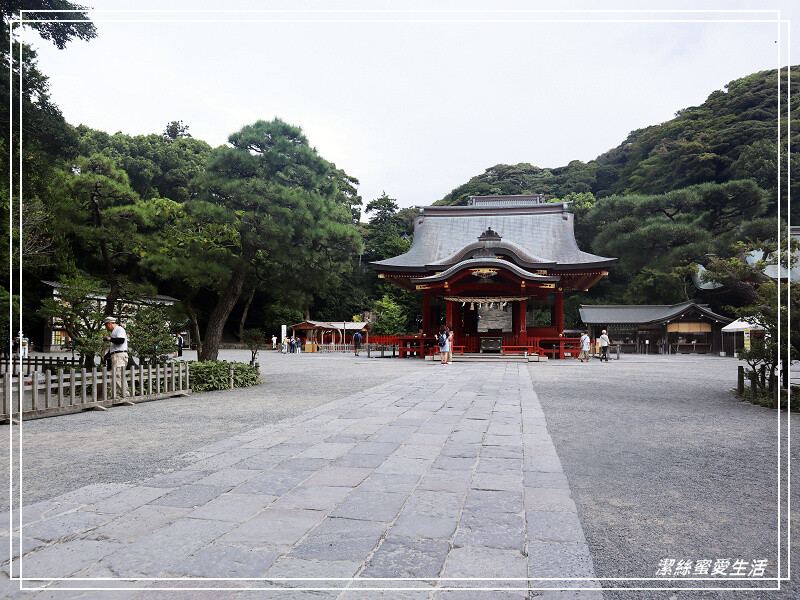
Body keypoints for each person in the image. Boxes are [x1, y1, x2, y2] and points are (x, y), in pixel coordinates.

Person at [102, 316, 128, 397]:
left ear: (109, 323)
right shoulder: (114, 332)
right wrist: (105, 357)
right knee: (114, 376)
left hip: (119, 356)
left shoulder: (119, 329)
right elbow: (113, 348)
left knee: (118, 374)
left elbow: (121, 340)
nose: (107, 328)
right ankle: (116, 395)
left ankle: (126, 394)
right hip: (115, 355)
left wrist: (109, 339)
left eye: (106, 326)